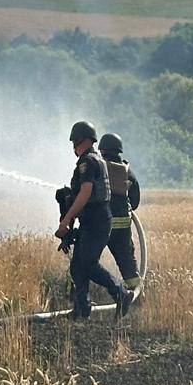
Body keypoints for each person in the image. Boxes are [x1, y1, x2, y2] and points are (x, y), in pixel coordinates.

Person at [55, 121, 131, 320]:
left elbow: (85, 192)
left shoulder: (87, 162)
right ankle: (82, 308)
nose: (73, 146)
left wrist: (66, 220)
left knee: (88, 263)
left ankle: (121, 294)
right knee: (77, 266)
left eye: (75, 141)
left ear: (83, 140)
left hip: (97, 221)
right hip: (92, 220)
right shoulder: (94, 160)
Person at [98, 132, 142, 293]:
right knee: (127, 262)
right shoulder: (128, 172)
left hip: (101, 224)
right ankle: (135, 293)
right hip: (123, 227)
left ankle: (80, 295)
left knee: (87, 260)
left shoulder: (98, 167)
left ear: (102, 149)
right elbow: (134, 202)